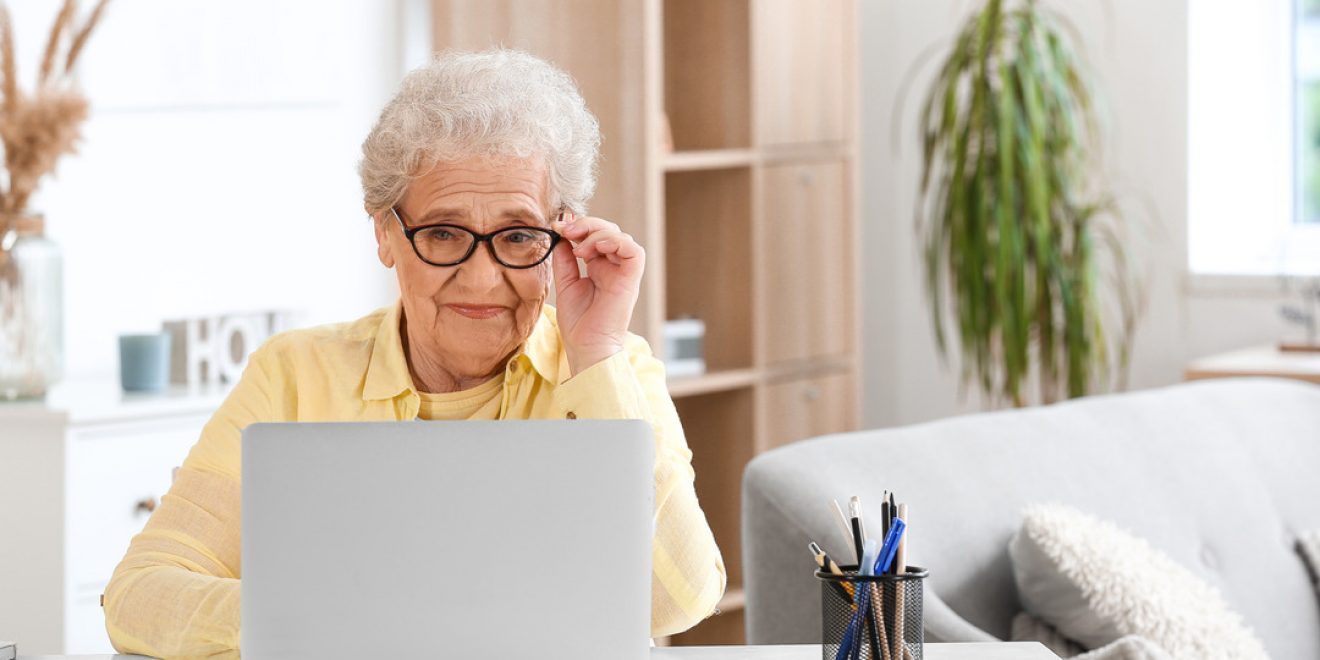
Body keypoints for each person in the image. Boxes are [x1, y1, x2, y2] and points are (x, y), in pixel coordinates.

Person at [102, 48, 726, 658]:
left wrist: (597, 352)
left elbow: (683, 596)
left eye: (516, 235)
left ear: (561, 235)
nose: (483, 279)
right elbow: (139, 596)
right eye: (444, 233)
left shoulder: (612, 369)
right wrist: (312, 620)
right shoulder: (294, 374)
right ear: (384, 234)